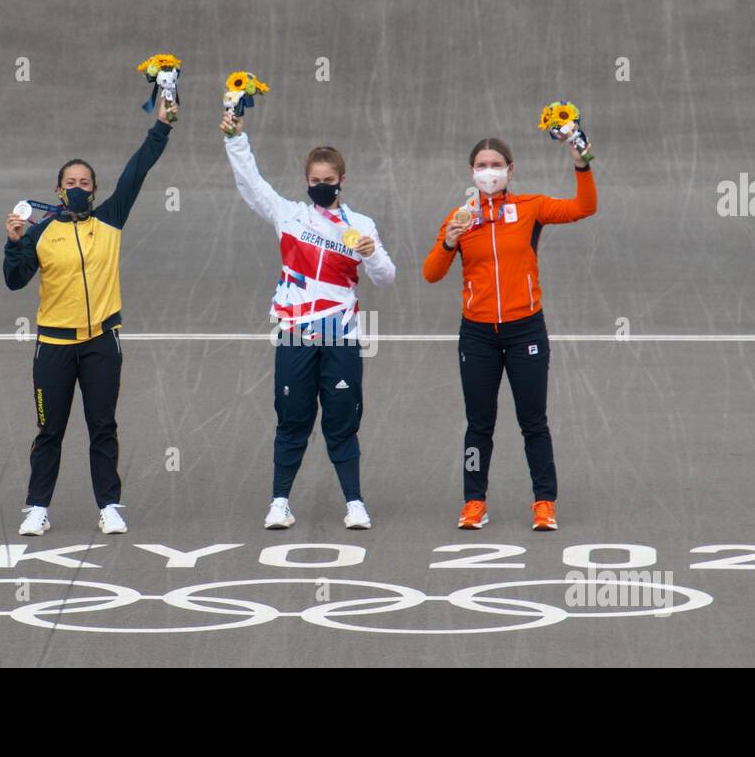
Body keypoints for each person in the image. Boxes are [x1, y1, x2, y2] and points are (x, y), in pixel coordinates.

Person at [2, 99, 177, 536]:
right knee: (49, 430)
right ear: (58, 190)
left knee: (103, 426)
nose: (78, 187)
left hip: (101, 342)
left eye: (85, 182)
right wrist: (14, 242)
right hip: (54, 347)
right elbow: (15, 280)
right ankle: (37, 507)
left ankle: (110, 506)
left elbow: (138, 170)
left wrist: (162, 126)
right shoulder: (41, 231)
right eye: (70, 181)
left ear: (95, 191)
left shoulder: (111, 220)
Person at [221, 109, 395, 530]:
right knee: (292, 419)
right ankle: (280, 501)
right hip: (295, 332)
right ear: (307, 181)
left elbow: (387, 279)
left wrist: (371, 254)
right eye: (314, 181)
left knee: (341, 421)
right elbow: (251, 183)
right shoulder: (289, 215)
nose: (321, 187)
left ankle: (354, 503)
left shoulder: (360, 226)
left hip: (342, 334)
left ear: (341, 181)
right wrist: (235, 139)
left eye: (328, 181)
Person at [423, 134, 596, 531]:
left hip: (525, 332)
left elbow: (585, 207)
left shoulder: (531, 208)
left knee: (533, 421)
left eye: (495, 165)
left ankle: (544, 502)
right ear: (472, 172)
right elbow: (431, 274)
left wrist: (581, 165)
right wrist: (450, 240)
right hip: (478, 336)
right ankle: (473, 502)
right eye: (481, 166)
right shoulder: (461, 218)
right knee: (478, 423)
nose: (489, 172)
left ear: (510, 170)